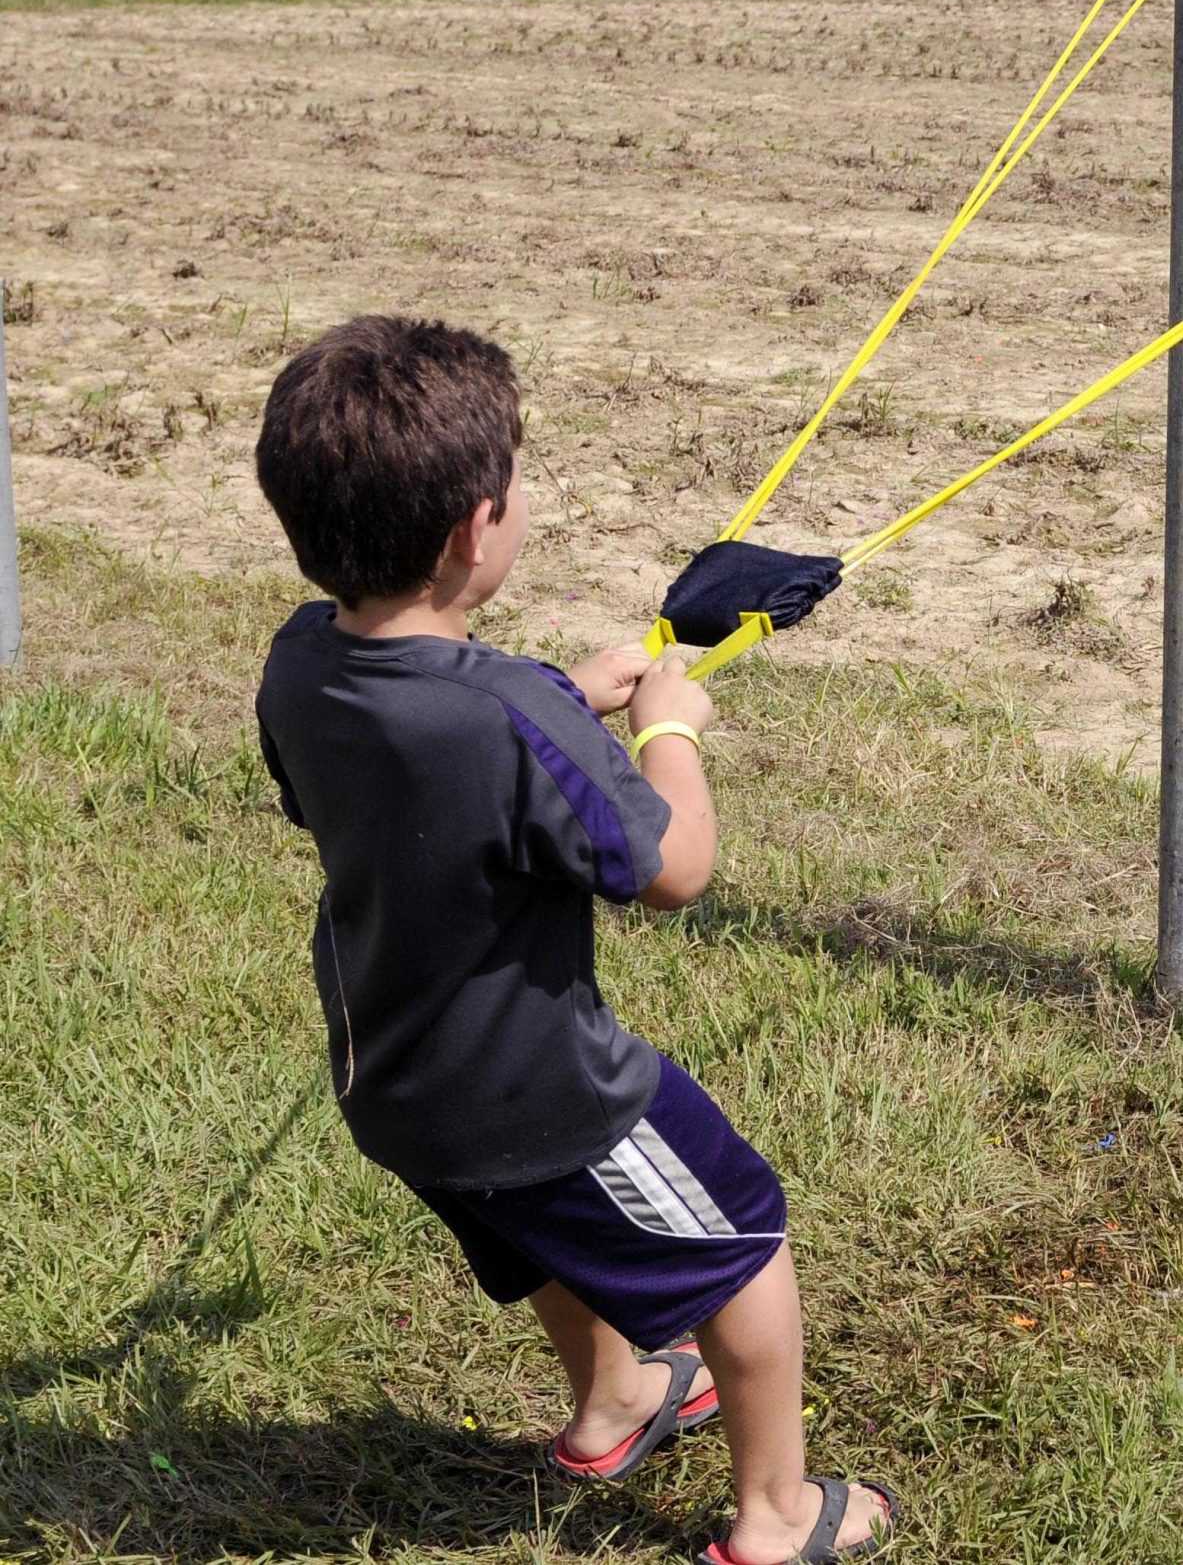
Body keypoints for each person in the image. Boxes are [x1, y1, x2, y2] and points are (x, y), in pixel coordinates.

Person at [251, 316, 894, 1565]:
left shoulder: (295, 665)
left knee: (530, 1229)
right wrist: (668, 729)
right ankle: (776, 1516)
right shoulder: (507, 714)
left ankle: (618, 1399)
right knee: (741, 1238)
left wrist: (555, 697)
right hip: (548, 1093)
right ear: (470, 531)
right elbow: (670, 868)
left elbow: (425, 739)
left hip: (389, 1076)